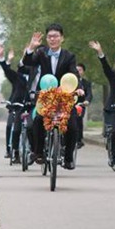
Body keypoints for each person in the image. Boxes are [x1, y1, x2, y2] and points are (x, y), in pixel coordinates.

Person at [22, 23, 81, 169]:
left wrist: (79, 88)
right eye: (49, 37)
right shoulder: (41, 53)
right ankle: (38, 153)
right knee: (37, 121)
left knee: (72, 125)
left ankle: (68, 158)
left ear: (62, 38)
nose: (52, 39)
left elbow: (74, 74)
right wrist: (31, 47)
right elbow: (27, 62)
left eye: (55, 36)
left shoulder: (69, 56)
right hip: (46, 95)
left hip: (64, 96)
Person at [89, 39, 115, 167]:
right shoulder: (114, 75)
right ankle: (113, 155)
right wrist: (100, 51)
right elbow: (105, 66)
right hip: (114, 108)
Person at [0, 43, 31, 163]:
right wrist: (3, 58)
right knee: (12, 127)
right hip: (17, 105)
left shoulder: (37, 73)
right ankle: (13, 151)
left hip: (32, 105)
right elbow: (7, 70)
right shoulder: (18, 76)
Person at [75, 63, 92, 147]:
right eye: (76, 70)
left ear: (83, 72)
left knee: (78, 118)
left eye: (80, 70)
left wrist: (87, 101)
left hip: (80, 105)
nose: (78, 72)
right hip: (69, 103)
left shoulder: (86, 83)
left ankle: (79, 139)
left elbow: (89, 93)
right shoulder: (69, 81)